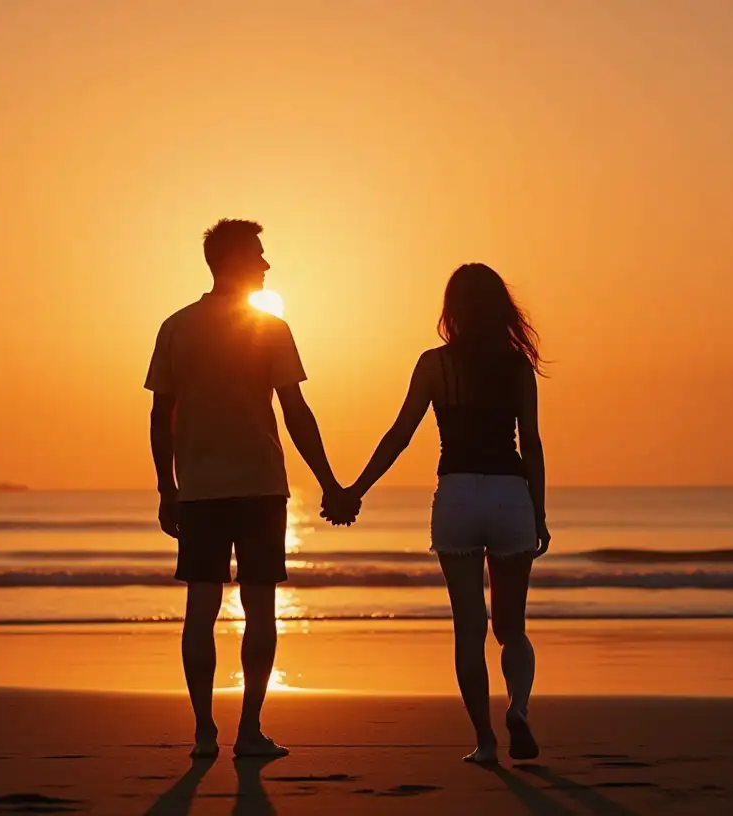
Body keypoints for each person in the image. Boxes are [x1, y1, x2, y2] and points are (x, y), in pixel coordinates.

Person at [146, 218, 358, 759]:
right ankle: (248, 731)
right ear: (234, 262)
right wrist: (330, 483)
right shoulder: (269, 328)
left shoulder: (176, 326)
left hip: (199, 490)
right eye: (258, 256)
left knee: (201, 608)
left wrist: (167, 488)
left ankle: (202, 734)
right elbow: (296, 413)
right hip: (260, 487)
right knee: (259, 608)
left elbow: (159, 416)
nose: (266, 265)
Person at [329, 262, 548, 764]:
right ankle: (518, 709)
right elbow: (531, 444)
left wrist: (355, 490)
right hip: (510, 493)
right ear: (500, 308)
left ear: (452, 309)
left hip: (456, 497)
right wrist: (539, 512)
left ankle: (486, 742)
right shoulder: (516, 366)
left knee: (469, 628)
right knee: (510, 627)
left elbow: (400, 434)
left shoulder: (434, 365)